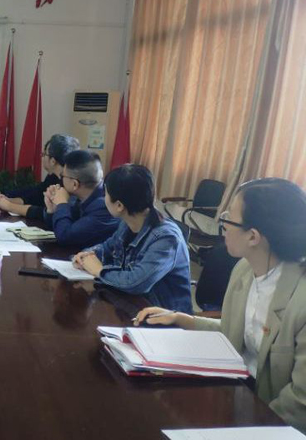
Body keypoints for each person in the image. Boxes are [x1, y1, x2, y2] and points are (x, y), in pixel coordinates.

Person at [135, 178, 306, 431]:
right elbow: (239, 331)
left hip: (273, 418)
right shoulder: (244, 269)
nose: (222, 225)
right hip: (237, 391)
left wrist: (249, 428)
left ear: (253, 236)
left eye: (228, 218)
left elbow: (300, 402)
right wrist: (183, 319)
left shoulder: (300, 298)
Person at [72, 164, 192, 313]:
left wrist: (99, 271)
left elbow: (136, 282)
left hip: (164, 318)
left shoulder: (166, 238)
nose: (103, 198)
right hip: (131, 306)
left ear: (119, 205)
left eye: (106, 194)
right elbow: (107, 248)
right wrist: (86, 256)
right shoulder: (128, 223)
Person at [0, 134, 80, 216]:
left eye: (44, 154)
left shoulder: (69, 184)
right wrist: (6, 198)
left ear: (53, 161)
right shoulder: (54, 177)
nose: (42, 157)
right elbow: (36, 194)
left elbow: (44, 213)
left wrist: (9, 206)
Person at [38, 150, 118, 247]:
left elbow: (65, 237)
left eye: (63, 176)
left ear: (75, 184)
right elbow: (58, 229)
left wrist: (62, 204)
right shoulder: (80, 197)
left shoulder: (104, 206)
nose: (61, 179)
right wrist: (52, 210)